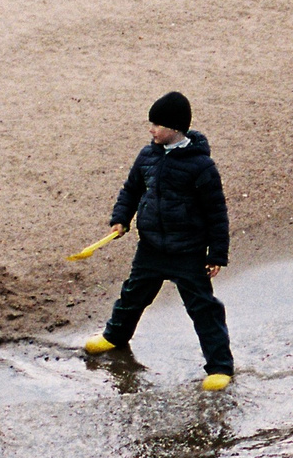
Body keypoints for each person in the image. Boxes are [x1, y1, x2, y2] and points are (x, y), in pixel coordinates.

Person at [84, 92, 235, 392]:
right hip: (151, 247)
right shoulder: (147, 156)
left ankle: (220, 366)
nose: (151, 130)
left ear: (175, 128)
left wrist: (217, 254)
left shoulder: (201, 166)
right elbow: (131, 190)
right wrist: (121, 218)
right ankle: (115, 336)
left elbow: (216, 213)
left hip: (188, 252)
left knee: (204, 309)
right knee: (132, 297)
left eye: (157, 125)